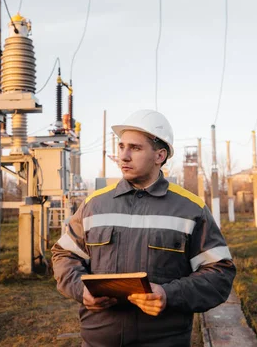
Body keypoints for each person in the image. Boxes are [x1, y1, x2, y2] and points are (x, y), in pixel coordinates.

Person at [52, 109, 236, 347]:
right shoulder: (94, 205)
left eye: (135, 148)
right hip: (98, 340)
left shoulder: (190, 209)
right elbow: (64, 255)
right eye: (121, 147)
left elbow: (219, 273)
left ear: (160, 155)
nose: (124, 156)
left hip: (164, 341)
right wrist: (80, 289)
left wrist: (169, 295)